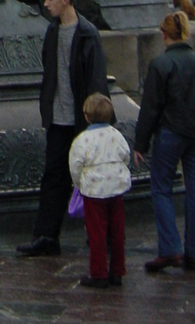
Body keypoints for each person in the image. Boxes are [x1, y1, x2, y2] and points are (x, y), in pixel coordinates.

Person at [16, 0, 110, 257]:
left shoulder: (87, 33)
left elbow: (96, 80)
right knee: (54, 176)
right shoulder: (53, 31)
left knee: (91, 179)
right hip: (58, 118)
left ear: (65, 0)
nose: (46, 4)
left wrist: (97, 120)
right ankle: (46, 236)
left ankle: (97, 236)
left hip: (83, 121)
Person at [133, 10, 195, 273]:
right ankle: (194, 253)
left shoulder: (160, 64)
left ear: (163, 33)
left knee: (161, 189)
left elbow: (150, 108)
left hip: (169, 132)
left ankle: (170, 249)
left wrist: (141, 143)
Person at [69, 91, 131, 289]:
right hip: (116, 189)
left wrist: (79, 184)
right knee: (117, 231)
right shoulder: (117, 135)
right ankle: (117, 271)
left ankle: (98, 273)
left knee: (97, 234)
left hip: (94, 191)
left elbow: (75, 165)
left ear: (86, 116)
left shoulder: (83, 139)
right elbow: (125, 155)